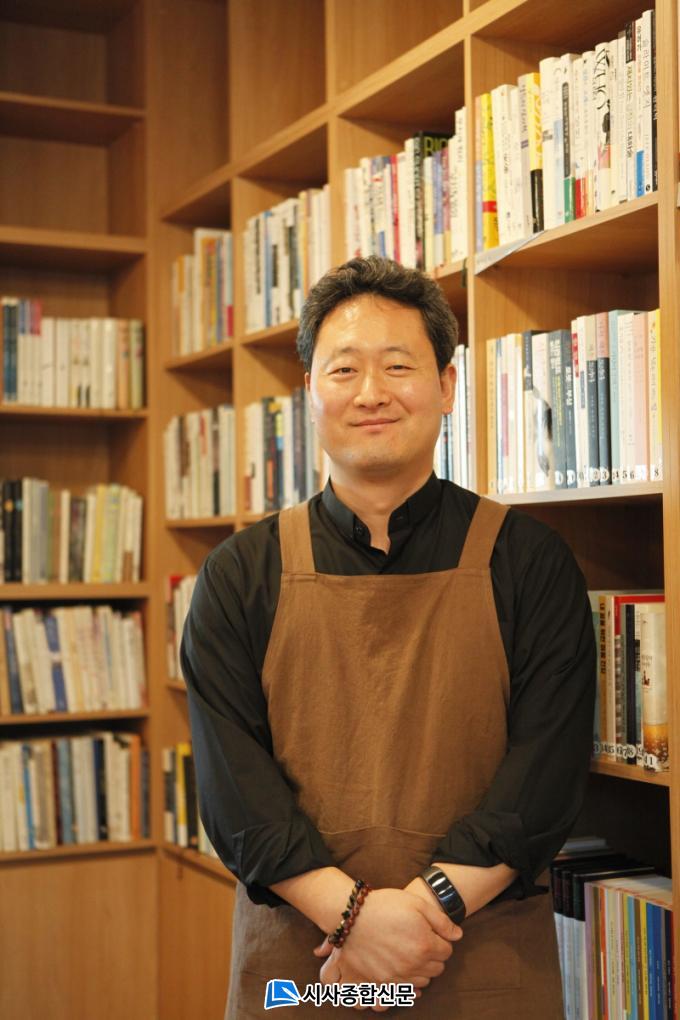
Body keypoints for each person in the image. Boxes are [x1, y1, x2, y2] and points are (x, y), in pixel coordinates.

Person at [180, 256, 596, 1018]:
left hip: (481, 964)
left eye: (398, 366)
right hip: (306, 972)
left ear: (447, 385)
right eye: (344, 369)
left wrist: (419, 915)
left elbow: (546, 778)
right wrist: (355, 920)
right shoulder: (238, 576)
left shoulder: (530, 563)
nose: (370, 392)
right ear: (310, 392)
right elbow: (236, 799)